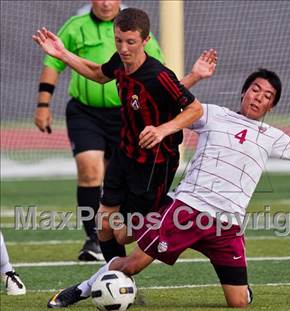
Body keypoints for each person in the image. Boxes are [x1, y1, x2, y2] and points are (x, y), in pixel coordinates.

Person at [44, 68, 290, 308]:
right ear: (244, 92)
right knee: (134, 264)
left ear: (272, 105)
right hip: (186, 210)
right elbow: (174, 106)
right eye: (255, 89)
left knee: (240, 302)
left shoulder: (272, 136)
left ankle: (234, 278)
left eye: (267, 95)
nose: (259, 96)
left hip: (226, 224)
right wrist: (191, 83)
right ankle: (86, 287)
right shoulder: (213, 114)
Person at [32, 8, 217, 264]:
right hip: (125, 153)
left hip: (154, 165)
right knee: (104, 222)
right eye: (119, 40)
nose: (124, 48)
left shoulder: (158, 74)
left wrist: (163, 130)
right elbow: (98, 74)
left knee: (122, 235)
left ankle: (170, 212)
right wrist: (62, 54)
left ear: (145, 41)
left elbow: (194, 109)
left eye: (130, 42)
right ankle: (114, 278)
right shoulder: (120, 61)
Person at [34, 0, 165, 261]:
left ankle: (119, 240)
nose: (106, 2)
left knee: (118, 182)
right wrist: (43, 104)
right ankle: (93, 239)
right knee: (90, 169)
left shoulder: (134, 28)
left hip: (125, 117)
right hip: (86, 112)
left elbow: (159, 74)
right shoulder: (76, 25)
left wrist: (161, 122)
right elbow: (60, 65)